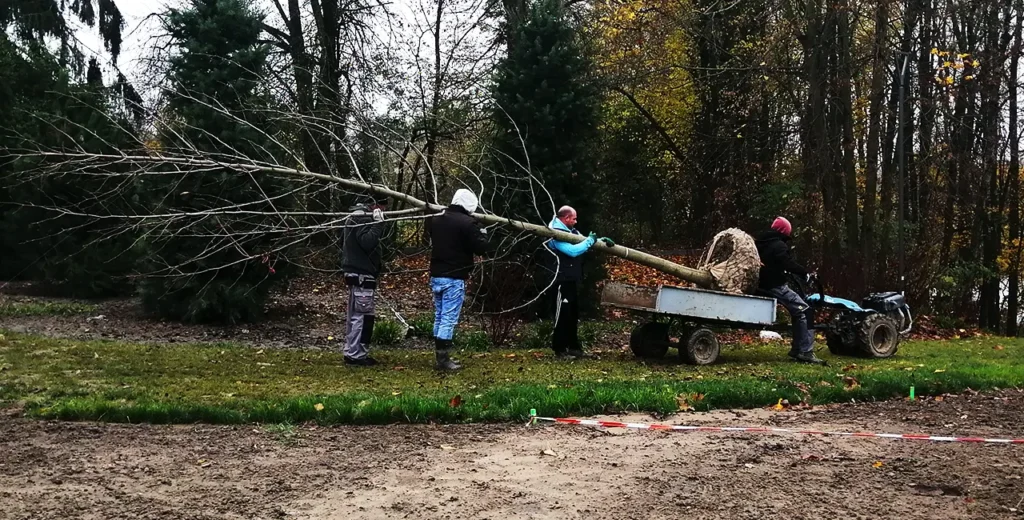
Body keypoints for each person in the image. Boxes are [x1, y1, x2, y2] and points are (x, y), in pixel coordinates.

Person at [425, 189, 489, 370]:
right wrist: (482, 231)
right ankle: (443, 360)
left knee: (439, 316)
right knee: (448, 318)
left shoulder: (436, 220)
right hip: (454, 276)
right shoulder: (468, 223)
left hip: (436, 274)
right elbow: (481, 248)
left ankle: (440, 356)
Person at [541, 205, 613, 360]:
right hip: (560, 280)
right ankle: (560, 350)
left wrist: (598, 241)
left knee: (573, 315)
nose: (576, 221)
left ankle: (574, 348)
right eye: (574, 218)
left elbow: (582, 242)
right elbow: (573, 251)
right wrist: (590, 241)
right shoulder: (555, 233)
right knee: (562, 316)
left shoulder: (571, 231)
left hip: (571, 279)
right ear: (566, 218)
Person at [754, 216, 826, 365]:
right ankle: (806, 351)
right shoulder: (778, 245)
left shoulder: (760, 243)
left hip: (762, 285)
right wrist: (804, 272)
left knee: (797, 312)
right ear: (784, 232)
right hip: (775, 286)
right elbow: (787, 263)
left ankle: (797, 349)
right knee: (805, 310)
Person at [339, 197, 387, 366]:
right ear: (375, 205)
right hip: (362, 275)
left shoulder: (354, 216)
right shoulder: (362, 218)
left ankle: (351, 351)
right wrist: (378, 224)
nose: (383, 210)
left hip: (356, 273)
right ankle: (357, 355)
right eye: (382, 206)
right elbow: (367, 242)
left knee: (355, 316)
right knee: (363, 317)